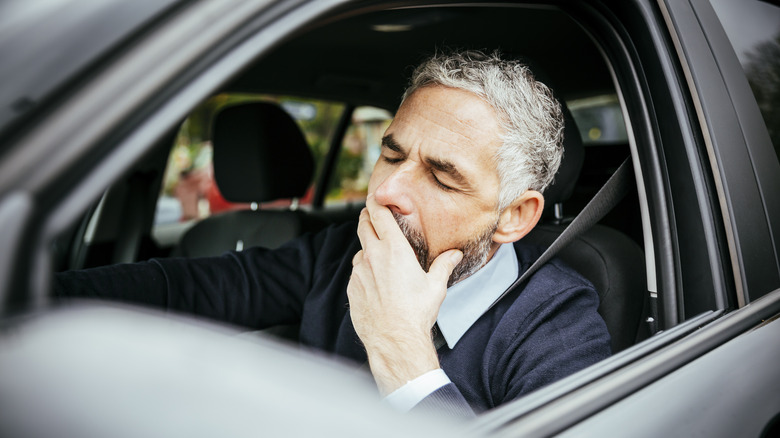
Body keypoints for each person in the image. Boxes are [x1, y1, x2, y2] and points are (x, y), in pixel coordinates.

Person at [55, 50, 611, 417]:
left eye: (442, 178)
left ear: (513, 216)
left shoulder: (556, 326)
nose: (388, 190)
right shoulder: (339, 253)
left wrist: (402, 353)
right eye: (390, 155)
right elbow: (187, 290)